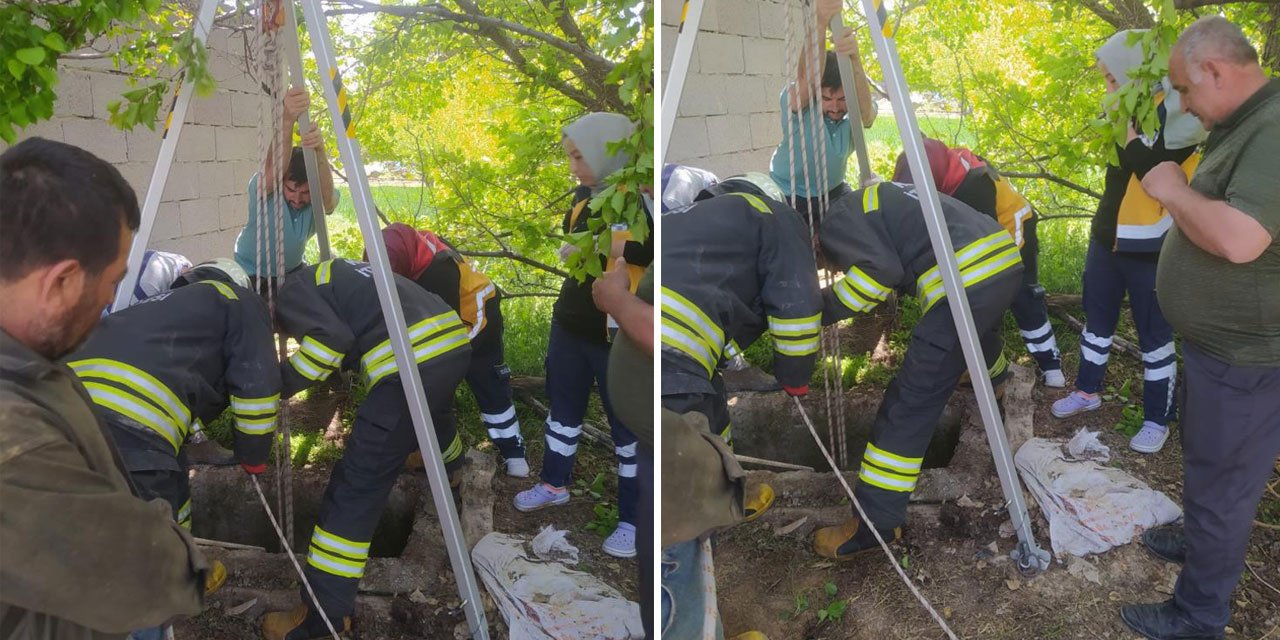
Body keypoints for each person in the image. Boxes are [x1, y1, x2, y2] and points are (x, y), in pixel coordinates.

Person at [0, 137, 208, 637]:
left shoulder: (30, 358)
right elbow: (141, 575)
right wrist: (185, 557)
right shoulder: (14, 439)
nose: (113, 299)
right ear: (62, 282)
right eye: (114, 282)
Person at [1119, 16, 1280, 640]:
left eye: (1186, 90)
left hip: (1246, 359)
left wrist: (1172, 190)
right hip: (1218, 349)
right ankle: (1199, 536)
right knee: (1209, 463)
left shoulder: (1273, 129)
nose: (1183, 105)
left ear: (1214, 70)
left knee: (1225, 486)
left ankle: (1198, 616)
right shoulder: (1245, 124)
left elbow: (1240, 240)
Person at [261, 258, 472, 640]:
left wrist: (276, 385)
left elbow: (329, 344)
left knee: (355, 487)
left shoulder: (287, 292)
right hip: (452, 342)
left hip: (411, 363)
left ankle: (322, 616)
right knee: (434, 408)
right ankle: (451, 466)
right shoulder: (330, 273)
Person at [812, 181, 1022, 559]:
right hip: (1002, 260)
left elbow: (877, 276)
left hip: (966, 279)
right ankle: (995, 380)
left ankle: (875, 523)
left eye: (829, 265)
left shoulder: (835, 222)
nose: (835, 268)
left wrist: (815, 309)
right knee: (974, 331)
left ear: (813, 241)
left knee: (909, 402)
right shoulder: (873, 200)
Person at [660, 172, 823, 639]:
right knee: (677, 531)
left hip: (647, 365)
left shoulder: (681, 221)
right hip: (672, 370)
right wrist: (794, 377)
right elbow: (797, 304)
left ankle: (724, 494)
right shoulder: (773, 216)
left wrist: (731, 483)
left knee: (669, 497)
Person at [1050, 29, 1206, 455]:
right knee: (1096, 321)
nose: (1108, 88)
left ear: (1134, 71)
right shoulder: (1126, 110)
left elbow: (1157, 176)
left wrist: (1130, 137)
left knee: (1155, 335)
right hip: (1107, 240)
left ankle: (1157, 419)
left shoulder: (1180, 114)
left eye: (1111, 78)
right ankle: (1087, 391)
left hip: (1152, 248)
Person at [514, 112, 652, 560]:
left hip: (617, 336)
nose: (573, 167)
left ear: (604, 152)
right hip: (571, 324)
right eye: (570, 157)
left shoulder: (638, 199)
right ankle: (554, 483)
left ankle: (634, 518)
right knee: (563, 411)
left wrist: (597, 245)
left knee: (627, 425)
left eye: (579, 157)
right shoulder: (583, 196)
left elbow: (648, 246)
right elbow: (574, 235)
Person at [66, 258, 280, 533]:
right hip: (132, 429)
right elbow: (257, 385)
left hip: (59, 420)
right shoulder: (239, 300)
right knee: (153, 545)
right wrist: (253, 455)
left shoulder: (144, 311)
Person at [893, 139, 1065, 387]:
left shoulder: (973, 187)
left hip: (1014, 233)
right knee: (981, 300)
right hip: (988, 233)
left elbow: (981, 239)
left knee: (1021, 299)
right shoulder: (944, 167)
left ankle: (1050, 365)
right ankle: (982, 366)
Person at [376, 223, 528, 477]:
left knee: (488, 384)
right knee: (435, 383)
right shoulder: (413, 250)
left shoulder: (439, 272)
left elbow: (441, 331)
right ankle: (427, 449)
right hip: (451, 317)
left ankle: (513, 451)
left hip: (478, 320)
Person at [768, 0, 877, 227]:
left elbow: (867, 115)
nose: (835, 107)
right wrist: (819, 23)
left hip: (833, 191)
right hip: (788, 193)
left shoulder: (852, 115)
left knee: (862, 227)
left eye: (842, 99)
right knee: (793, 242)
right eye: (827, 99)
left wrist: (855, 59)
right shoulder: (802, 107)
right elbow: (808, 81)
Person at [592, 260, 655, 639]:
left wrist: (616, 299)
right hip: (654, 440)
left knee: (668, 556)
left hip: (664, 441)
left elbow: (660, 335)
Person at [233, 86, 338, 294]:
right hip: (249, 272)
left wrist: (319, 150)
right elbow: (275, 169)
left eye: (305, 192)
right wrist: (287, 120)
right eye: (291, 189)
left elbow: (328, 202)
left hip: (292, 272)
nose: (297, 199)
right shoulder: (267, 191)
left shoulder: (316, 200)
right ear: (282, 183)